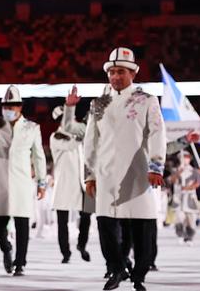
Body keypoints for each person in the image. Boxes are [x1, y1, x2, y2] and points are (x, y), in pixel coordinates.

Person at [84, 47, 166, 291]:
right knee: (106, 226)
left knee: (143, 226)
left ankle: (139, 275)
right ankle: (117, 269)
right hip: (106, 173)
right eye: (111, 72)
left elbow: (157, 133)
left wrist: (156, 165)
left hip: (139, 172)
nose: (115, 76)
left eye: (121, 71)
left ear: (133, 73)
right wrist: (89, 174)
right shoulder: (98, 104)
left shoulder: (147, 101)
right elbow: (90, 141)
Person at [0, 85, 46, 277]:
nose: (9, 109)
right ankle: (6, 247)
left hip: (22, 180)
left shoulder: (32, 128)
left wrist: (41, 182)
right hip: (0, 179)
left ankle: (20, 263)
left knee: (22, 222)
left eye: (13, 106)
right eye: (6, 105)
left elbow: (38, 156)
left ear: (20, 107)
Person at [49, 89, 93, 263]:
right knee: (62, 222)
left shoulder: (79, 134)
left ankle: (82, 245)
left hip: (82, 182)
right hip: (65, 183)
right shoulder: (56, 137)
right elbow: (71, 145)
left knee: (87, 216)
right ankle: (65, 252)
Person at [171, 151, 199, 244]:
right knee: (179, 217)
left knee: (190, 218)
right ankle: (180, 234)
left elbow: (197, 183)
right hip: (179, 197)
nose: (185, 159)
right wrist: (179, 172)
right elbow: (172, 180)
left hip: (189, 198)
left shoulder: (194, 171)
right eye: (183, 158)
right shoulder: (176, 170)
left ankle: (189, 236)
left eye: (186, 158)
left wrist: (188, 187)